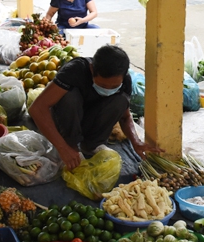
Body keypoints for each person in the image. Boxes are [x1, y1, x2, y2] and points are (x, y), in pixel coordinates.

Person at [29, 44, 160, 170]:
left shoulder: (125, 80)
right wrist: (63, 148)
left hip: (90, 120)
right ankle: (71, 145)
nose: (108, 89)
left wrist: (136, 141)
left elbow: (125, 118)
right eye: (102, 84)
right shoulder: (75, 70)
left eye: (114, 86)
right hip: (65, 119)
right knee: (69, 96)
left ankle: (92, 144)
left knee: (121, 100)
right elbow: (37, 109)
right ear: (92, 69)